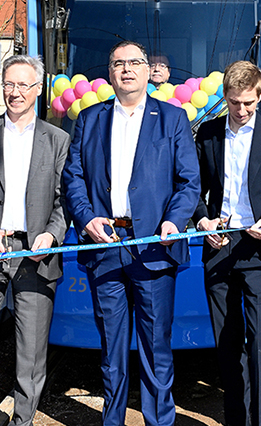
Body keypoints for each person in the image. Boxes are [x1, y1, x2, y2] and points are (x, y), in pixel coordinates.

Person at [62, 41, 200, 426]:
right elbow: (73, 177)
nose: (126, 69)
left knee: (156, 347)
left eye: (135, 63)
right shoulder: (89, 119)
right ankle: (113, 420)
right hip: (104, 247)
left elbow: (188, 182)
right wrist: (87, 219)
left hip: (155, 249)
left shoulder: (172, 119)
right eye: (118, 63)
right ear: (110, 73)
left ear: (147, 71)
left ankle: (159, 420)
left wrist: (174, 221)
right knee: (112, 349)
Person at [0, 55, 69, 426]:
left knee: (31, 350)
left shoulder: (58, 139)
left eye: (23, 85)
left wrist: (52, 234)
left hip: (35, 255)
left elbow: (64, 199)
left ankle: (23, 419)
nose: (14, 92)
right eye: (8, 84)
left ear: (37, 90)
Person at [193, 61, 261, 426]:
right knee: (226, 341)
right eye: (234, 102)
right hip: (219, 247)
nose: (241, 111)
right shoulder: (208, 134)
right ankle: (236, 418)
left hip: (260, 248)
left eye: (249, 103)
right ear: (225, 97)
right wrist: (203, 219)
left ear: (260, 94)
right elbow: (196, 190)